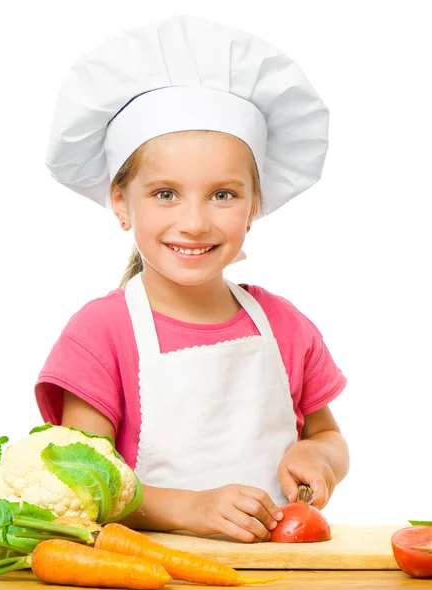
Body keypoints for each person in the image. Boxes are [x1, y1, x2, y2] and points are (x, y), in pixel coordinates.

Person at [35, 14, 349, 543]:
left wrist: (319, 455)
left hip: (279, 571)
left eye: (223, 194)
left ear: (254, 206)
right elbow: (83, 482)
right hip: (151, 573)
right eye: (165, 193)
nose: (195, 222)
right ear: (120, 201)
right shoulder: (100, 333)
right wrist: (186, 509)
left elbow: (329, 436)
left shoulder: (286, 326)